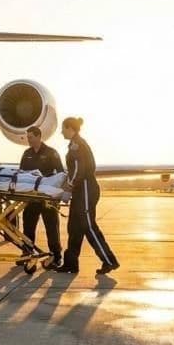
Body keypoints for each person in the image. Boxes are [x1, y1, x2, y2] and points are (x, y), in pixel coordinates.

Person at [57, 116, 120, 274]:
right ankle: (71, 263)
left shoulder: (77, 146)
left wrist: (69, 187)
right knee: (74, 227)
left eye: (63, 128)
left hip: (85, 189)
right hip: (81, 190)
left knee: (88, 227)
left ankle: (109, 260)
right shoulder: (75, 144)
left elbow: (79, 170)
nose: (61, 132)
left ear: (70, 129)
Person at [19, 126, 64, 267]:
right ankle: (27, 253)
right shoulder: (27, 154)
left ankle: (56, 257)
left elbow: (61, 173)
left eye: (31, 137)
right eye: (27, 137)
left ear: (38, 136)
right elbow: (21, 173)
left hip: (47, 198)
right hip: (32, 197)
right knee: (28, 225)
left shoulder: (51, 153)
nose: (28, 140)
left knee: (51, 227)